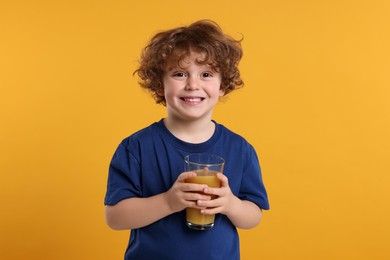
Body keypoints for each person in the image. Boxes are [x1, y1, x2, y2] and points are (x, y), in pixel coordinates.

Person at [104, 19, 270, 260]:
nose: (193, 85)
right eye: (179, 74)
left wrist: (230, 204)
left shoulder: (240, 149)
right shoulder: (136, 147)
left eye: (206, 74)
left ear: (222, 85)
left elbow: (253, 216)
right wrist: (170, 202)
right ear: (160, 85)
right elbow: (115, 218)